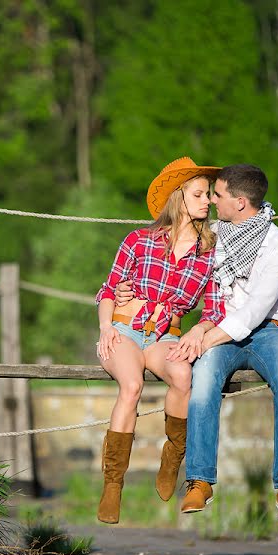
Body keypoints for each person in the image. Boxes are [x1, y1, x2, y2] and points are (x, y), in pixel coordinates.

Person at [116, 163, 278, 523]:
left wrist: (200, 334)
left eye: (217, 195)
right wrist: (124, 289)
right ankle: (199, 481)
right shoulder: (216, 234)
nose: (212, 202)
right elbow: (166, 247)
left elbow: (252, 313)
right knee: (201, 383)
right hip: (218, 330)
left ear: (238, 202)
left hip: (268, 329)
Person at [94, 157, 226, 524]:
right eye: (199, 194)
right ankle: (113, 483)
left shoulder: (211, 253)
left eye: (209, 195)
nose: (208, 201)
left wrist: (199, 331)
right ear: (178, 198)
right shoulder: (139, 239)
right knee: (132, 386)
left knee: (184, 377)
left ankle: (173, 457)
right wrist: (106, 327)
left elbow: (214, 307)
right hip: (123, 328)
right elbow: (108, 289)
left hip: (165, 334)